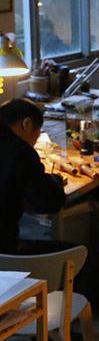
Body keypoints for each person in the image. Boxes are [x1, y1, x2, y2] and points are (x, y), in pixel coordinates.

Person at [0, 99, 66, 255]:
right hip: (5, 253)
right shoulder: (20, 151)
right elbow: (49, 203)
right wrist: (55, 181)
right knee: (80, 255)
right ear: (27, 124)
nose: (35, 143)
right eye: (37, 135)